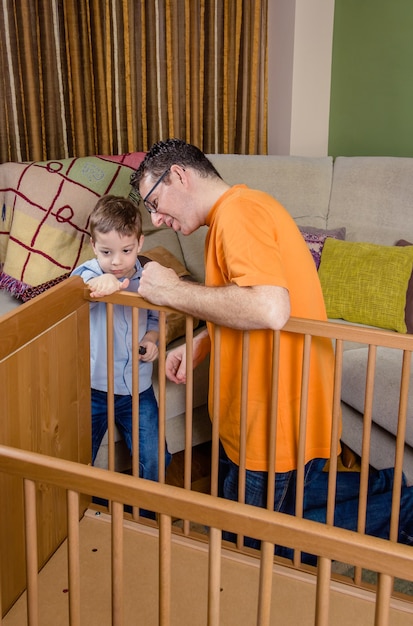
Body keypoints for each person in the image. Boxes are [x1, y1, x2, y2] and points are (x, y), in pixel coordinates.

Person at [130, 138, 413, 559]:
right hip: (270, 412)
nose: (156, 217)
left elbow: (269, 306)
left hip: (273, 420)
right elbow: (246, 303)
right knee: (294, 500)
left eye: (154, 201)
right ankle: (396, 498)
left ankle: (400, 510)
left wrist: (173, 290)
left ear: (179, 176)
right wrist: (203, 343)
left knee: (248, 544)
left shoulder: (238, 214)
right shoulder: (237, 212)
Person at [72, 195, 171, 486]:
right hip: (93, 388)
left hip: (138, 388)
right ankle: (84, 506)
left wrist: (152, 339)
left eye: (126, 251)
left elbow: (154, 319)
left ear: (139, 244)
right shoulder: (87, 274)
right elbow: (79, 293)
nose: (116, 262)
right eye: (106, 252)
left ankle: (148, 515)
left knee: (154, 458)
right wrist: (98, 286)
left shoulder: (148, 278)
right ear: (93, 246)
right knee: (79, 454)